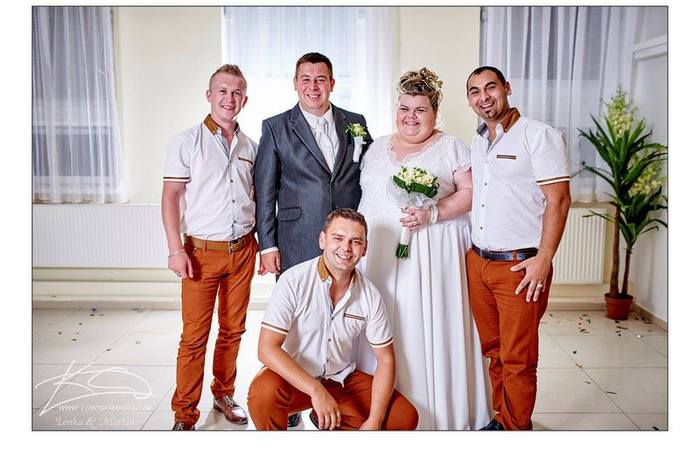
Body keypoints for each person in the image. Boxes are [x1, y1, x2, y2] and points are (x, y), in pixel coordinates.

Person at [354, 68, 490, 430]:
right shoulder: (376, 148)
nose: (410, 117)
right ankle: (378, 408)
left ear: (435, 114)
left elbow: (471, 193)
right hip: (380, 255)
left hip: (431, 257)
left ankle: (438, 412)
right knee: (382, 323)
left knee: (424, 326)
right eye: (404, 109)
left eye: (420, 110)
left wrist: (432, 213)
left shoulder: (451, 147)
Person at [465, 66, 571, 430]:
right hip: (479, 262)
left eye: (490, 87)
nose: (484, 97)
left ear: (506, 88)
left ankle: (516, 429)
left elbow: (559, 201)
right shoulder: (479, 140)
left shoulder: (538, 135)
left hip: (519, 267)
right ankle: (502, 419)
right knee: (494, 351)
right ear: (469, 100)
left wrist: (543, 260)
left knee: (518, 358)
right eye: (475, 91)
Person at [246, 209, 419, 431]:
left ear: (364, 249)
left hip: (339, 380)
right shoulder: (293, 280)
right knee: (263, 392)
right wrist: (315, 390)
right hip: (293, 380)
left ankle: (328, 423)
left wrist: (374, 421)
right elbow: (266, 349)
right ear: (323, 240)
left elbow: (386, 360)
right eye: (338, 238)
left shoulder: (370, 295)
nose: (346, 248)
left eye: (355, 241)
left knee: (403, 416)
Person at [162, 64, 258, 431]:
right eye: (222, 91)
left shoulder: (251, 147)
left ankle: (224, 394)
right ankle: (185, 415)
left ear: (244, 100)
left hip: (243, 250)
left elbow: (255, 197)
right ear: (209, 95)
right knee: (194, 337)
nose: (229, 99)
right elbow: (170, 197)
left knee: (233, 331)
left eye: (236, 93)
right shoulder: (185, 142)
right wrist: (175, 250)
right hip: (200, 254)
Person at [254, 52, 373, 276]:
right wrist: (268, 245)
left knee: (346, 296)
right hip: (297, 237)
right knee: (299, 296)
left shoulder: (356, 122)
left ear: (332, 84)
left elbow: (371, 171)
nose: (313, 87)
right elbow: (265, 192)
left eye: (320, 79)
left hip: (347, 240)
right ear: (295, 83)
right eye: (306, 79)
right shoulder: (275, 127)